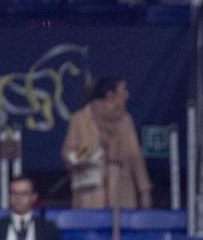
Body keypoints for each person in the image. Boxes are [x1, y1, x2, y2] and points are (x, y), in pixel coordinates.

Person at [61, 77, 153, 209]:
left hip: (122, 191)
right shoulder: (80, 119)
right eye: (123, 91)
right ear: (110, 95)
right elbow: (68, 154)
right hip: (91, 191)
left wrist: (144, 190)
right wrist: (91, 153)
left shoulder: (125, 120)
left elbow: (135, 155)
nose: (127, 95)